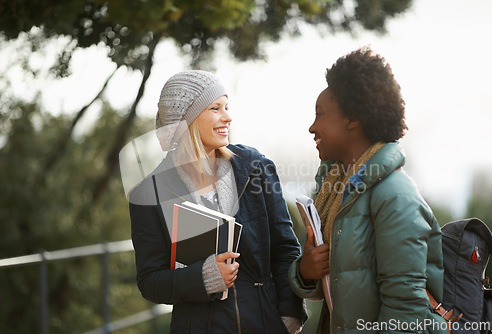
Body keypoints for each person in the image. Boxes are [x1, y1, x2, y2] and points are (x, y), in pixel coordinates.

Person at [129, 70, 307, 333]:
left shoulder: (255, 166)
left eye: (227, 107)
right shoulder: (148, 194)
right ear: (186, 121)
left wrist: (288, 316)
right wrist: (202, 277)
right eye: (215, 108)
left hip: (265, 324)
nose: (228, 117)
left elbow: (285, 248)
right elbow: (150, 282)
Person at [288, 47, 447, 333]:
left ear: (352, 119)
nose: (312, 127)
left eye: (320, 114)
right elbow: (337, 286)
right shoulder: (334, 190)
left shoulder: (395, 197)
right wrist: (305, 270)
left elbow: (405, 315)